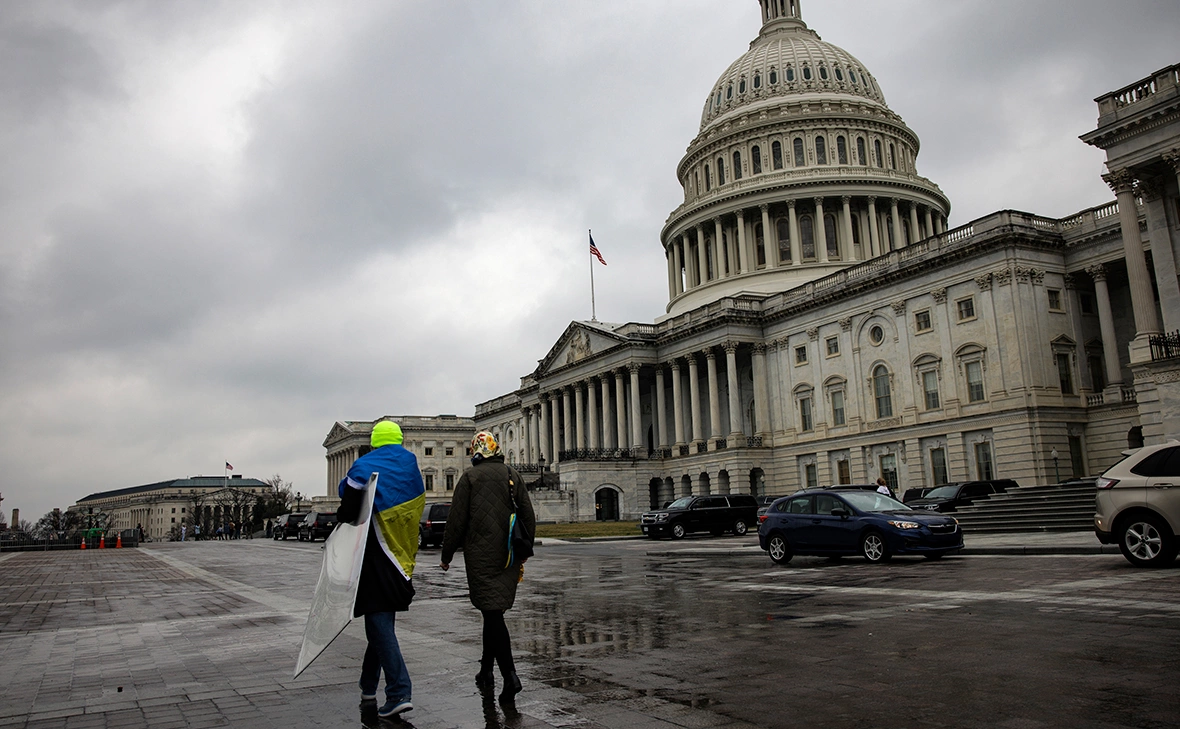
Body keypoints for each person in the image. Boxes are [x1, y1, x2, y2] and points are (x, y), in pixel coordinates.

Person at [336, 420, 425, 721]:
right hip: (403, 554)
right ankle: (368, 686)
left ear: (373, 441)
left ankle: (400, 691)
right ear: (399, 440)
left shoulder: (364, 465)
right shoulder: (410, 463)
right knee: (381, 619)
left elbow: (348, 510)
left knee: (377, 622)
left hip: (377, 554)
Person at [440, 431, 535, 704]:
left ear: (476, 451)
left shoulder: (469, 478)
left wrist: (447, 555)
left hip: (481, 556)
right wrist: (524, 550)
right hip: (508, 554)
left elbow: (456, 521)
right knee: (491, 612)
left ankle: (511, 677)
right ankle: (486, 670)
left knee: (492, 614)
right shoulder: (512, 474)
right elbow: (528, 515)